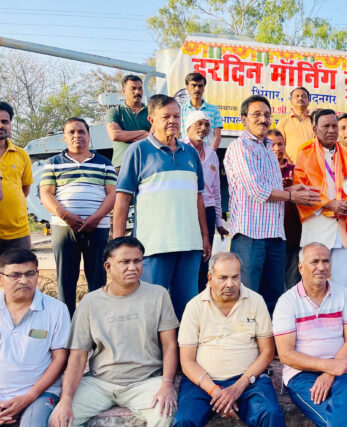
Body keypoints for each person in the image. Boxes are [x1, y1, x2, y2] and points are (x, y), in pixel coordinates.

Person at [48, 237, 180, 427]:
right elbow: (77, 356)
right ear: (108, 267)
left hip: (146, 382)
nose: (133, 267)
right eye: (125, 262)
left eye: (137, 261)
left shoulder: (158, 295)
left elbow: (170, 345)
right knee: (59, 421)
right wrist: (66, 399)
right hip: (99, 382)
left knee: (164, 415)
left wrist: (167, 384)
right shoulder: (90, 302)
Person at [114, 94, 211, 319]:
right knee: (150, 310)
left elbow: (199, 198)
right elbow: (123, 199)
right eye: (166, 116)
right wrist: (118, 244)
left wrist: (205, 236)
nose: (173, 121)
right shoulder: (138, 151)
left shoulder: (191, 153)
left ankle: (181, 344)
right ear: (151, 119)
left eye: (176, 116)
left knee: (186, 311)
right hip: (153, 246)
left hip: (190, 246)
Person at [224, 95, 320, 314]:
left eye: (267, 115)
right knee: (247, 298)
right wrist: (292, 197)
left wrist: (291, 190)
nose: (263, 119)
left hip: (275, 235)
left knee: (273, 299)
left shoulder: (268, 148)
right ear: (243, 119)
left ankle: (270, 336)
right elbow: (258, 191)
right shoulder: (240, 148)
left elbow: (271, 188)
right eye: (256, 114)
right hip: (250, 236)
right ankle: (247, 336)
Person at [172, 252, 285, 427]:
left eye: (235, 277)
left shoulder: (255, 301)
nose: (230, 284)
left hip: (248, 381)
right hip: (202, 383)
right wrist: (214, 390)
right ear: (210, 278)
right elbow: (186, 361)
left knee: (270, 414)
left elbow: (267, 352)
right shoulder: (194, 306)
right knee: (184, 421)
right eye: (223, 278)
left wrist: (238, 387)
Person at [273, 243, 347, 427]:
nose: (321, 267)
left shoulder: (342, 294)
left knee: (345, 399)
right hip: (301, 374)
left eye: (326, 261)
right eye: (315, 261)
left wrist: (329, 373)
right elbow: (286, 355)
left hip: (343, 366)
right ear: (300, 267)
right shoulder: (287, 302)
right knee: (339, 420)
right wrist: (328, 367)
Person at [39, 118, 116, 316]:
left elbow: (112, 194)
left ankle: (96, 322)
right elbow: (45, 193)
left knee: (98, 279)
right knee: (65, 279)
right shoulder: (53, 163)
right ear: (64, 137)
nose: (77, 135)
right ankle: (66, 324)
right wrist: (65, 215)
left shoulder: (104, 163)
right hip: (63, 228)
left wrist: (97, 217)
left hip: (98, 228)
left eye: (81, 131)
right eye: (71, 132)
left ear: (89, 136)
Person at [294, 109, 347, 292]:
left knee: (342, 283)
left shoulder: (346, 155)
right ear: (315, 129)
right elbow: (301, 191)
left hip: (342, 226)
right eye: (326, 126)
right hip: (316, 226)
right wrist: (330, 204)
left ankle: (342, 311)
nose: (332, 130)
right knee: (312, 281)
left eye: (334, 126)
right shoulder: (305, 153)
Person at [0, 249, 70, 427]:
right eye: (15, 275)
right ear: (1, 278)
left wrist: (29, 397)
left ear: (38, 274)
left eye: (30, 273)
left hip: (40, 394)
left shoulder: (56, 309)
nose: (24, 280)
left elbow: (60, 359)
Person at [182, 110, 229, 292]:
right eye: (199, 124)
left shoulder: (211, 154)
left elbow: (216, 191)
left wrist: (218, 222)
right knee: (185, 256)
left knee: (204, 256)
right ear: (188, 127)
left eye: (207, 125)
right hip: (186, 210)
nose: (203, 128)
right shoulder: (180, 149)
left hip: (207, 211)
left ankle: (200, 296)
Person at [269, 129, 303, 289]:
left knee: (292, 282)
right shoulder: (263, 170)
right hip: (271, 235)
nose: (277, 148)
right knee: (273, 282)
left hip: (293, 234)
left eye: (280, 144)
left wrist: (293, 188)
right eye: (272, 144)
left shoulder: (295, 170)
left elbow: (305, 197)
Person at [0, 101, 33, 254]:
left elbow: (25, 189)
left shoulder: (21, 154)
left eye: (5, 121)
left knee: (21, 269)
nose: (1, 125)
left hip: (18, 233)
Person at [105, 75, 151, 171]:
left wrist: (125, 135)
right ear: (124, 91)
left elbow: (158, 136)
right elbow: (115, 135)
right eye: (133, 89)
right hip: (122, 166)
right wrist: (143, 132)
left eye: (140, 88)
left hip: (149, 164)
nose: (137, 92)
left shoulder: (152, 111)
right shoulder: (115, 112)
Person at [180, 72, 223, 150]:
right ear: (187, 88)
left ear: (204, 88)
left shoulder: (214, 110)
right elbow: (176, 135)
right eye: (194, 85)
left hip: (207, 152)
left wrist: (209, 153)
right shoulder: (181, 110)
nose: (197, 89)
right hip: (186, 152)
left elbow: (217, 137)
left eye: (200, 86)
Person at [276, 87, 314, 162]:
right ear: (291, 101)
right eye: (297, 96)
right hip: (289, 166)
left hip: (312, 166)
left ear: (308, 101)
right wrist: (290, 165)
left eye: (303, 96)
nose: (300, 98)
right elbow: (278, 146)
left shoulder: (315, 122)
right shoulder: (283, 122)